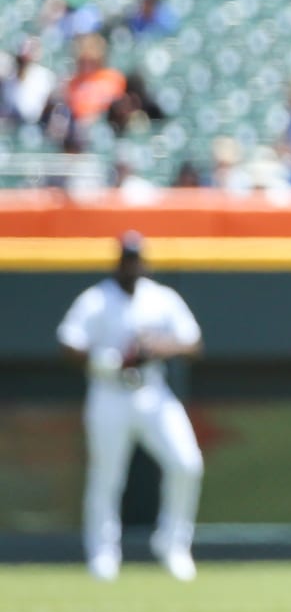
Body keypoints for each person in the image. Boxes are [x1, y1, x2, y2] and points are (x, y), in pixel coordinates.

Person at [55, 232, 205, 581]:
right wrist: (105, 360)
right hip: (109, 391)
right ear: (118, 262)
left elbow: (193, 342)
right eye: (127, 259)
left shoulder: (161, 298)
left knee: (187, 463)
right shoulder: (96, 299)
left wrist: (158, 346)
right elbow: (68, 342)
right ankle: (103, 555)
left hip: (152, 390)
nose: (132, 265)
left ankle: (173, 544)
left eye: (137, 258)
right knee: (107, 476)